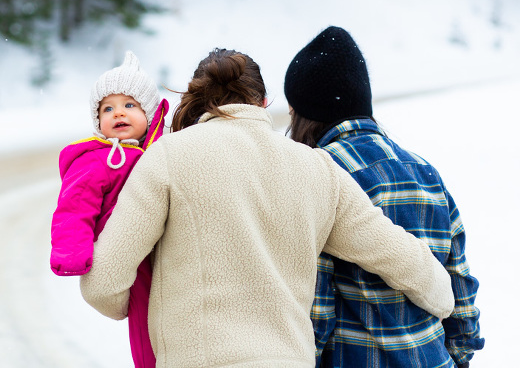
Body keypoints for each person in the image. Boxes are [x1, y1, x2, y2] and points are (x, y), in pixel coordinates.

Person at [80, 48, 454, 368]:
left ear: (197, 101)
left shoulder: (166, 157)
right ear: (263, 102)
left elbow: (103, 285)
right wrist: (442, 297)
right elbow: (398, 256)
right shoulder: (317, 167)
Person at [284, 26, 484, 368]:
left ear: (304, 115)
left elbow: (315, 316)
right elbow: (461, 297)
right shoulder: (426, 172)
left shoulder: (321, 176)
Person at [50, 50, 169, 368]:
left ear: (151, 112)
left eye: (130, 105)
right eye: (108, 108)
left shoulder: (163, 148)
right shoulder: (96, 160)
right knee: (147, 329)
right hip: (131, 256)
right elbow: (73, 209)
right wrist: (71, 254)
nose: (119, 114)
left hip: (167, 249)